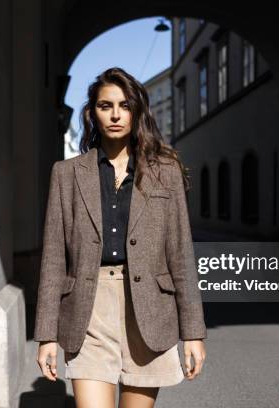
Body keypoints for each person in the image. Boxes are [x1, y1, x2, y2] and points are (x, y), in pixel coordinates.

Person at [34, 67, 207, 408]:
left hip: (148, 310)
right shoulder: (66, 175)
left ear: (137, 111)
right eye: (105, 105)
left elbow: (181, 256)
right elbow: (54, 259)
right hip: (89, 310)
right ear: (92, 113)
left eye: (125, 105)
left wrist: (194, 332)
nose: (115, 114)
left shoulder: (164, 172)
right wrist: (46, 335)